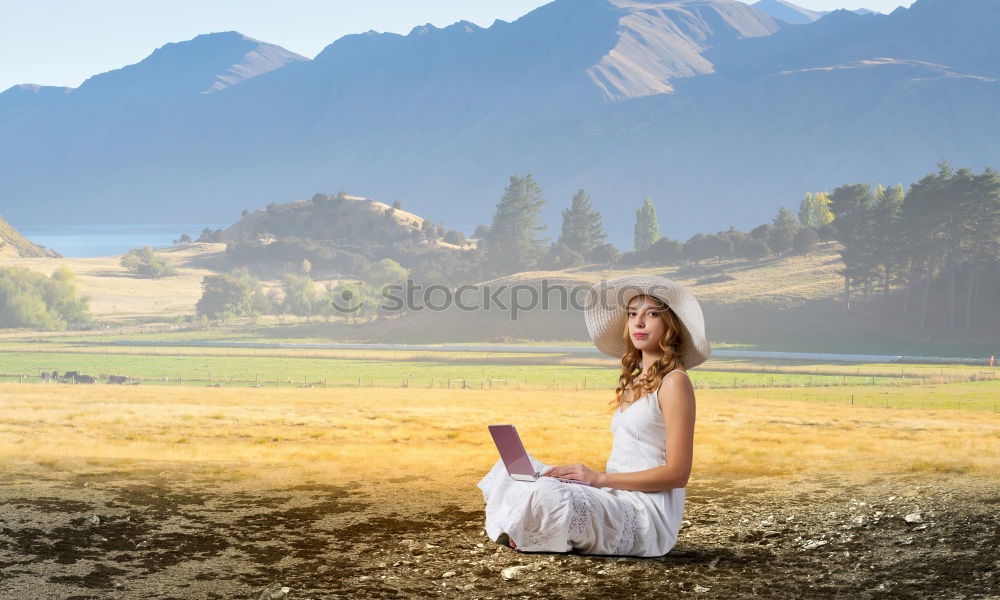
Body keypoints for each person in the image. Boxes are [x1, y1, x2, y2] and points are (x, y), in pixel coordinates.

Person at [476, 275, 711, 556]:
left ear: (670, 324)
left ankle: (532, 529)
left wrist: (597, 479)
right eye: (633, 314)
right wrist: (588, 480)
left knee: (548, 494)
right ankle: (528, 527)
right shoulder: (636, 382)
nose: (638, 322)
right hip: (612, 494)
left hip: (645, 512)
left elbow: (678, 474)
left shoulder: (675, 382)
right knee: (511, 470)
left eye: (652, 314)